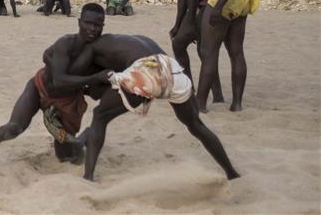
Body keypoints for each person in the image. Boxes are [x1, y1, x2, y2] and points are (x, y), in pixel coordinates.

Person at [67, 32, 240, 182]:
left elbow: (95, 81)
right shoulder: (132, 41)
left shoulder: (94, 50)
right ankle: (231, 173)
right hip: (172, 70)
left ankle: (88, 176)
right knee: (196, 125)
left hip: (145, 73)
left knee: (100, 116)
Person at [0, 3, 113, 166]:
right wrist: (94, 78)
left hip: (66, 103)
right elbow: (58, 78)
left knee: (68, 157)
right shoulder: (67, 43)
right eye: (88, 23)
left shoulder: (99, 55)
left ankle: (85, 137)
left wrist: (93, 85)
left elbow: (95, 90)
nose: (92, 29)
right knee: (13, 128)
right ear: (79, 22)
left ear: (103, 26)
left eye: (97, 25)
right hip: (39, 88)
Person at [151, 0, 224, 102]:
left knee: (184, 45)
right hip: (201, 5)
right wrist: (178, 24)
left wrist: (190, 21)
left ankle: (189, 89)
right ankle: (213, 94)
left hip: (206, 4)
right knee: (202, 50)